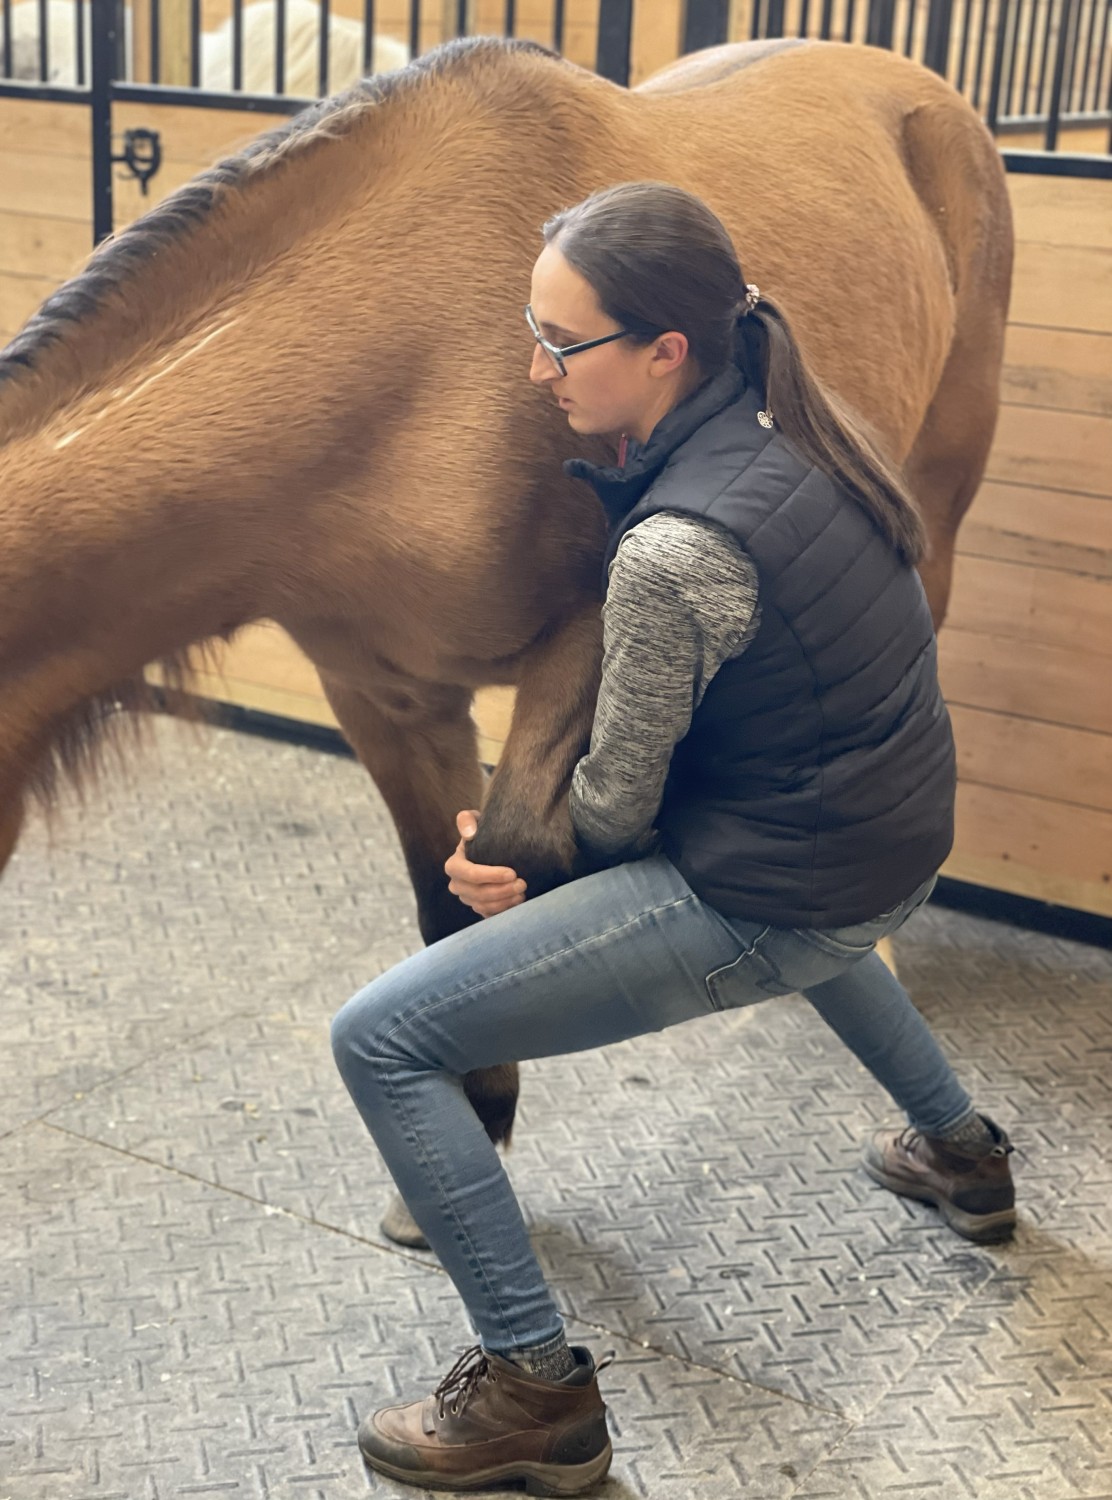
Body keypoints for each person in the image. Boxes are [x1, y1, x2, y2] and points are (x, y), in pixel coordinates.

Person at [331, 181, 1016, 1496]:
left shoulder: (675, 545)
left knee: (383, 1037)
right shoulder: (808, 438)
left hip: (792, 892)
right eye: (529, 333)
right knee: (832, 928)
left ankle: (534, 1390)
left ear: (666, 353)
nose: (536, 374)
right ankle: (963, 1154)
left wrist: (514, 856)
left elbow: (618, 815)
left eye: (561, 344)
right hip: (890, 845)